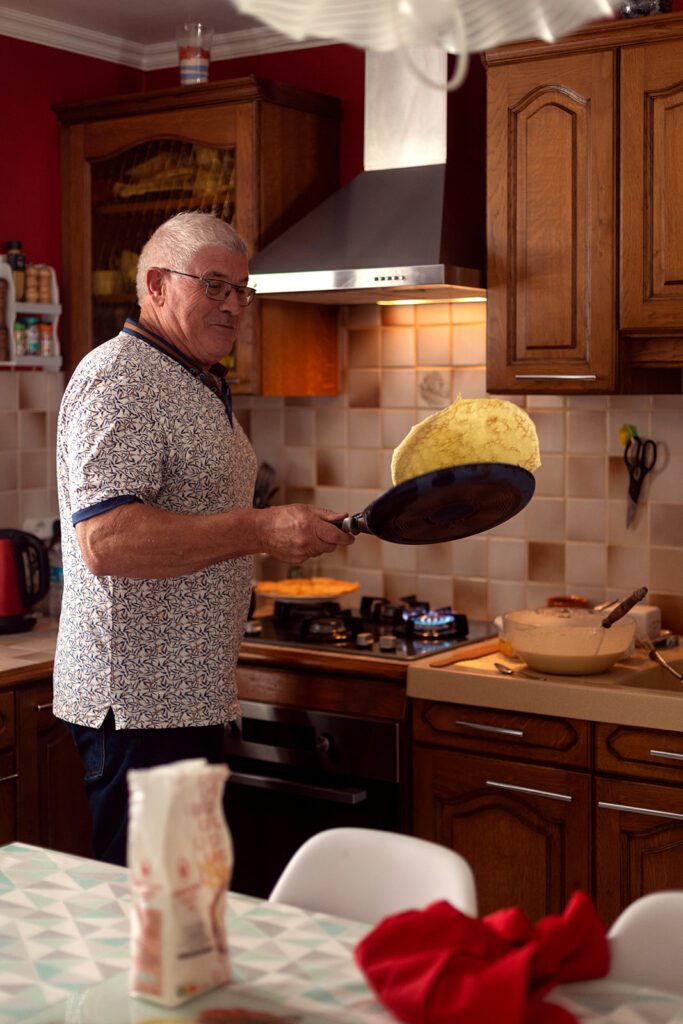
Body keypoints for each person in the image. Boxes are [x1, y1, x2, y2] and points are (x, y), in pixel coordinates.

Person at [54, 211, 354, 866]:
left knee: (179, 917)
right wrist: (261, 527)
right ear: (157, 285)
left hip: (183, 695)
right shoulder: (122, 379)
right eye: (213, 285)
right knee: (150, 914)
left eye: (240, 291)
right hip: (138, 703)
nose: (232, 305)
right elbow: (107, 540)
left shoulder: (189, 375)